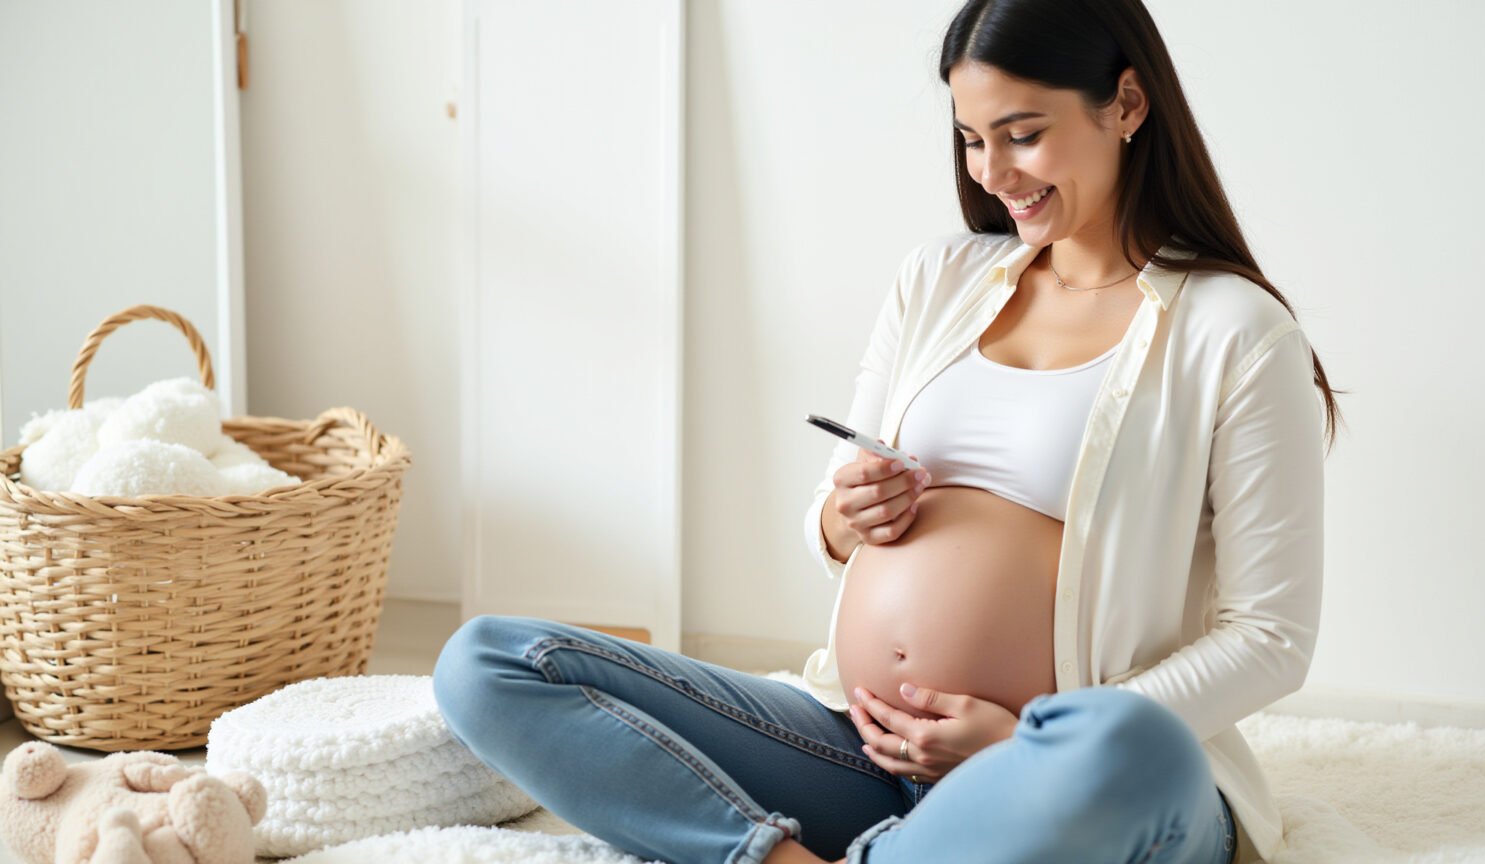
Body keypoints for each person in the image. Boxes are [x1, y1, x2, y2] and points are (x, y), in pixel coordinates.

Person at [431, 0, 1342, 861]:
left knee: (1132, 747)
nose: (992, 173)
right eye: (973, 139)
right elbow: (827, 531)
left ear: (1127, 103)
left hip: (1070, 775)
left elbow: (1270, 637)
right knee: (491, 662)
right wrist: (843, 515)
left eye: (1024, 134)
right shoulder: (938, 280)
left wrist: (1033, 738)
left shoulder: (1235, 332)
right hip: (867, 751)